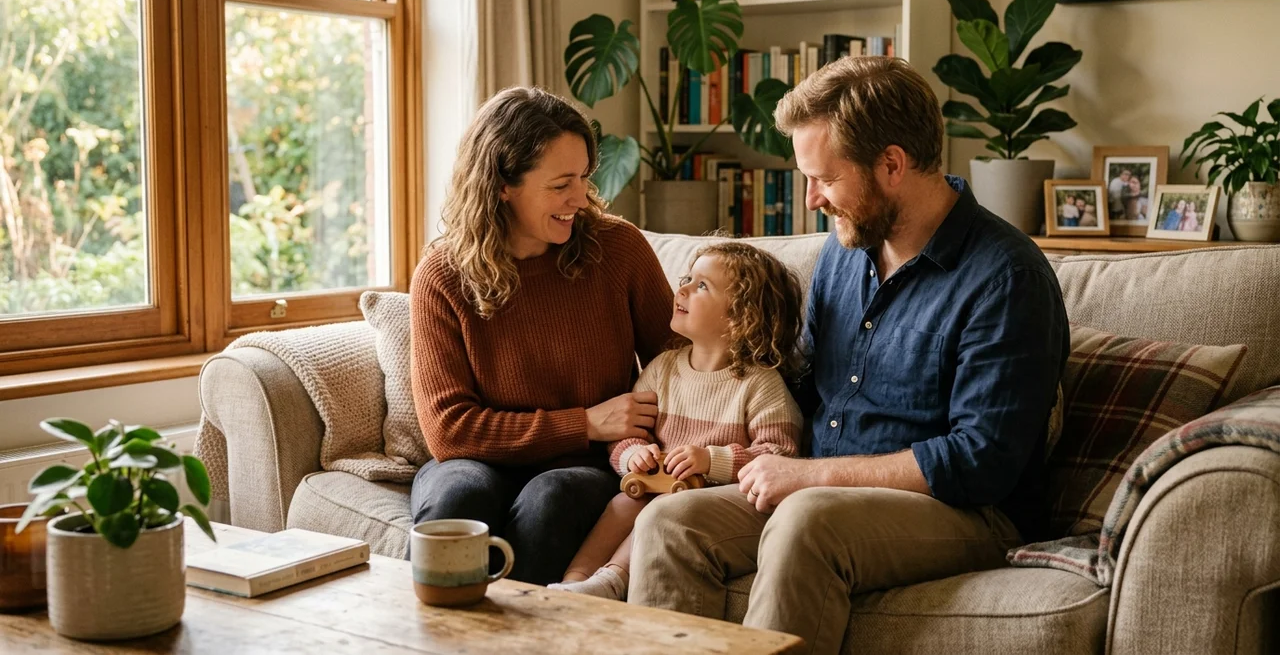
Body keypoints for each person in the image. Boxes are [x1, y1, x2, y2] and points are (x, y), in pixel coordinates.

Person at [628, 56, 1069, 653]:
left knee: (806, 522)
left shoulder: (1005, 277)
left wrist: (810, 476)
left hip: (962, 511)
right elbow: (804, 388)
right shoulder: (845, 252)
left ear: (892, 163)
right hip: (819, 490)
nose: (812, 199)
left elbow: (981, 460)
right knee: (668, 522)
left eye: (826, 179)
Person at [408, 87, 675, 585]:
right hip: (477, 463)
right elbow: (449, 430)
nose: (581, 198)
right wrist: (585, 423)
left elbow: (684, 368)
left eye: (583, 178)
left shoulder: (618, 250)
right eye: (560, 185)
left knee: (550, 498)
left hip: (587, 469)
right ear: (503, 184)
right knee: (456, 498)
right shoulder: (443, 275)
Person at [547, 243, 804, 600]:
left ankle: (611, 580)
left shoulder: (760, 384)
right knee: (623, 504)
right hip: (653, 483)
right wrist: (632, 456)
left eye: (702, 286)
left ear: (739, 316)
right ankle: (573, 581)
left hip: (706, 502)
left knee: (661, 511)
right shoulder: (663, 369)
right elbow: (627, 434)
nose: (680, 288)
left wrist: (711, 460)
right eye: (687, 278)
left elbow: (779, 455)